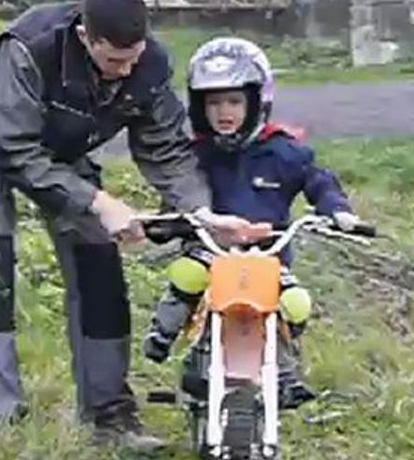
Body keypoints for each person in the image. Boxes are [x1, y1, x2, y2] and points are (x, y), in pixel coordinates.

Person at [0, 0, 255, 451]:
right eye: (114, 62)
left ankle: (109, 414)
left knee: (98, 259)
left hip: (65, 150)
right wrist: (101, 202)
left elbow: (167, 148)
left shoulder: (147, 66)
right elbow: (21, 152)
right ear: (86, 37)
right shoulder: (29, 50)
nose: (125, 71)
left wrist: (202, 212)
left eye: (134, 58)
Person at [141, 36, 361, 409]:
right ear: (198, 106)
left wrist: (336, 210)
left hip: (267, 259)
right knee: (187, 274)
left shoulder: (285, 151)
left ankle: (285, 372)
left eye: (234, 101)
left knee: (295, 302)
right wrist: (168, 224)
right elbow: (179, 198)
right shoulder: (196, 154)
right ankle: (164, 333)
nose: (223, 112)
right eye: (213, 103)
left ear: (257, 101)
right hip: (211, 253)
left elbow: (319, 181)